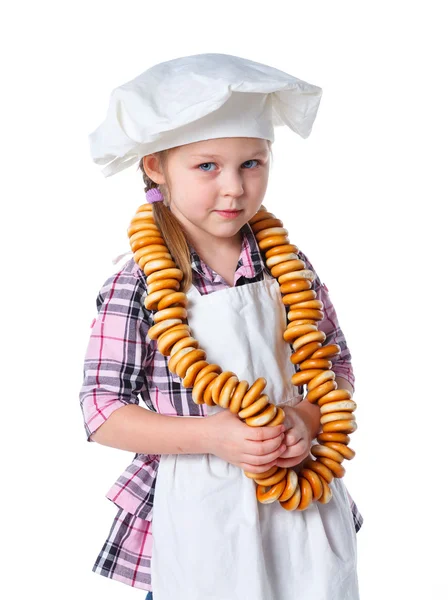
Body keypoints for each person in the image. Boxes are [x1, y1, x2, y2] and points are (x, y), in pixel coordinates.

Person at [79, 53, 363, 600]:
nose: (234, 188)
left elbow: (338, 365)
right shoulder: (138, 281)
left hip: (298, 499)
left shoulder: (290, 267)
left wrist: (305, 417)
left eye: (251, 163)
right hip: (197, 509)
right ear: (156, 166)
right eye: (207, 166)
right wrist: (215, 436)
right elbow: (101, 411)